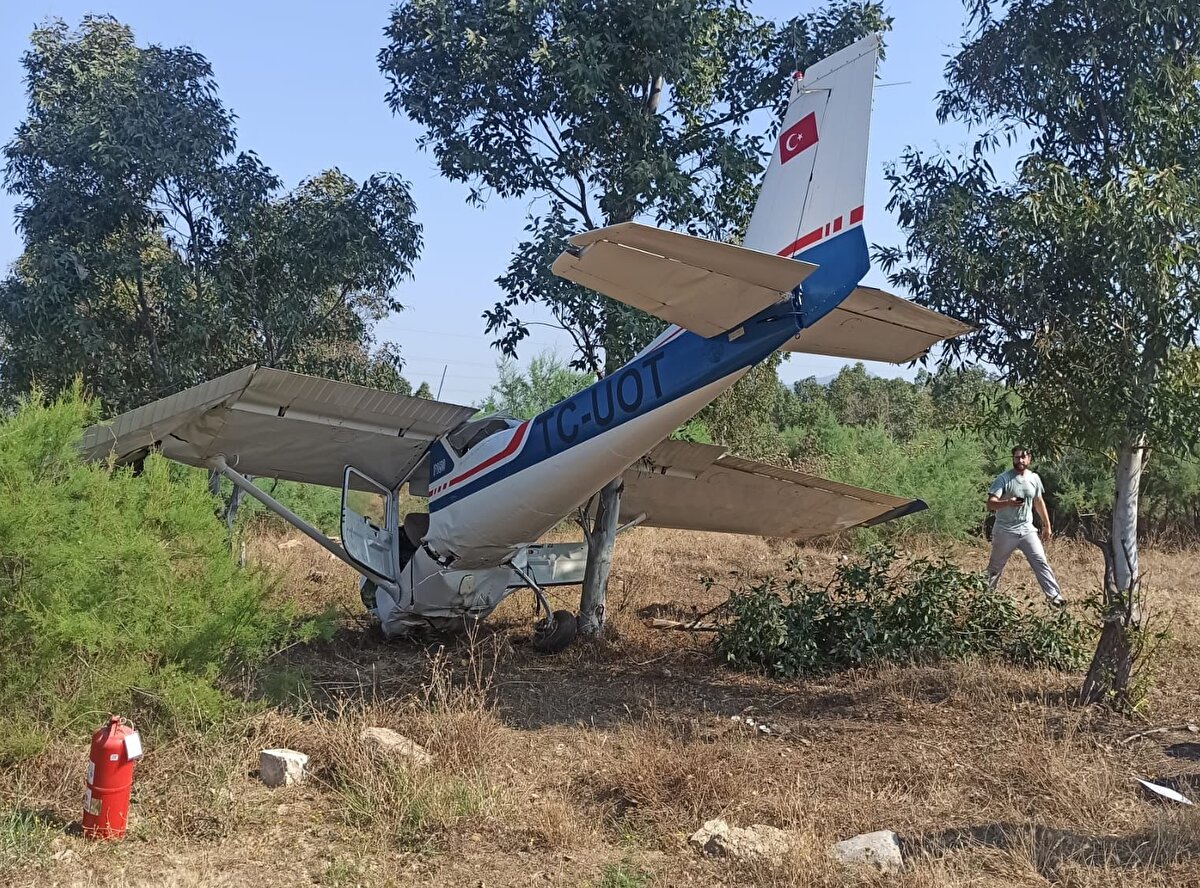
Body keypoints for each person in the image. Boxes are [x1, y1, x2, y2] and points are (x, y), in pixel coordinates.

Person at [986, 446, 1066, 607]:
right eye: (1017, 458)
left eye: (1023, 457)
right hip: (1005, 531)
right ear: (1012, 459)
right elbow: (990, 504)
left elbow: (1038, 501)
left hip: (1027, 529)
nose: (1020, 461)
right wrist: (1008, 502)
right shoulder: (1003, 479)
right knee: (995, 568)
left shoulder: (1034, 478)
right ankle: (985, 599)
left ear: (1029, 459)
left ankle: (1055, 599)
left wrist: (1046, 526)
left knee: (1040, 561)